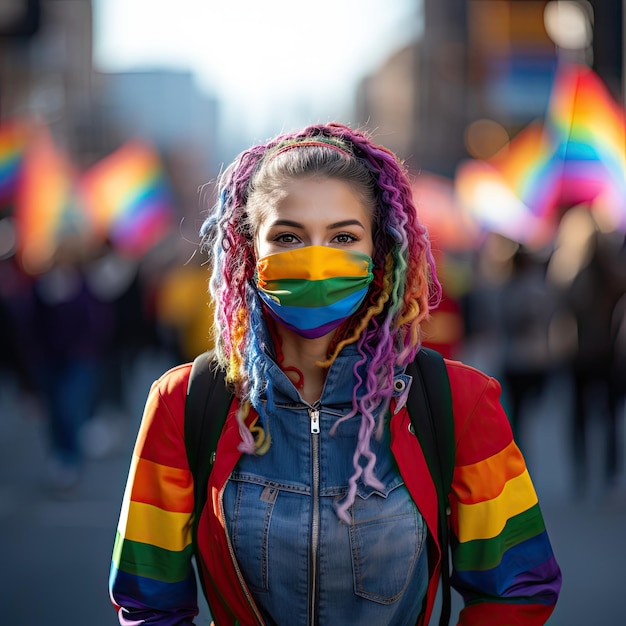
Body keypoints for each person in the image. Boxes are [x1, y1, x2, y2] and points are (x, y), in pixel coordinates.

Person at [109, 123, 561, 625]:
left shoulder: (459, 400)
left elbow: (519, 587)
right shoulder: (182, 403)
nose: (317, 261)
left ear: (379, 251)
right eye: (287, 236)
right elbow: (148, 599)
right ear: (247, 252)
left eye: (344, 236)